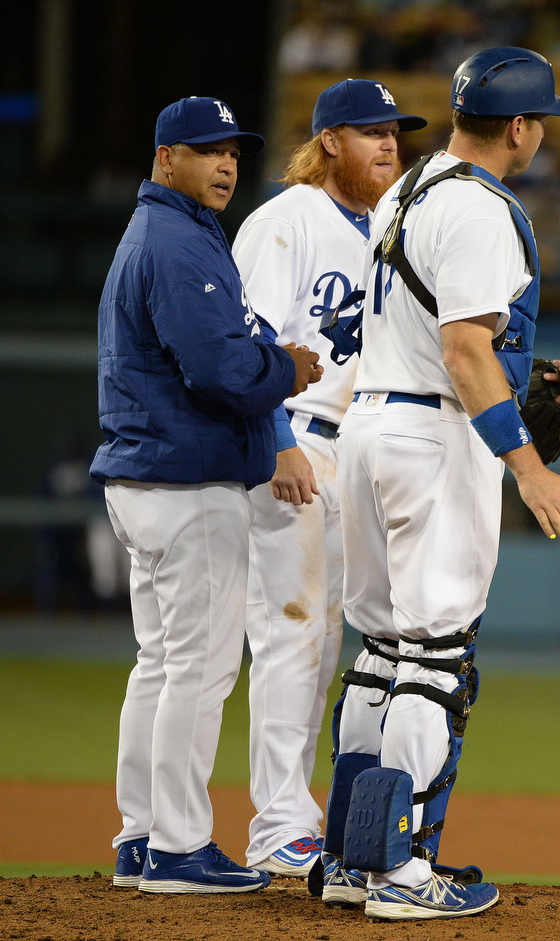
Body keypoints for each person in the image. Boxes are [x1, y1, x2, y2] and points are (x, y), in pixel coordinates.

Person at [320, 46, 560, 920]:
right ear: (520, 126)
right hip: (431, 433)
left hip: (370, 426)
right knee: (434, 656)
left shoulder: (412, 186)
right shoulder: (476, 209)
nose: (543, 132)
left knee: (383, 651)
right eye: (542, 118)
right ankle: (399, 873)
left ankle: (350, 859)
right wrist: (530, 467)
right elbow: (468, 349)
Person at [93, 96, 323, 894]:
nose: (226, 163)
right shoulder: (178, 240)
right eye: (206, 150)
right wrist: (287, 369)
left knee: (161, 662)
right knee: (197, 665)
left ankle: (142, 834)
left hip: (147, 477)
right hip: (184, 480)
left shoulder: (163, 232)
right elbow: (222, 370)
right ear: (165, 159)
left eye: (233, 150)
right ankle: (179, 848)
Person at [231, 79, 427, 880]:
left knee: (334, 642)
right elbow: (251, 343)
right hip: (297, 441)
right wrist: (277, 442)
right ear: (330, 141)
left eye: (396, 133)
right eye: (371, 131)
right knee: (294, 631)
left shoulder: (388, 225)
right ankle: (278, 822)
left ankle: (311, 815)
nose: (389, 144)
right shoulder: (285, 221)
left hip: (361, 448)